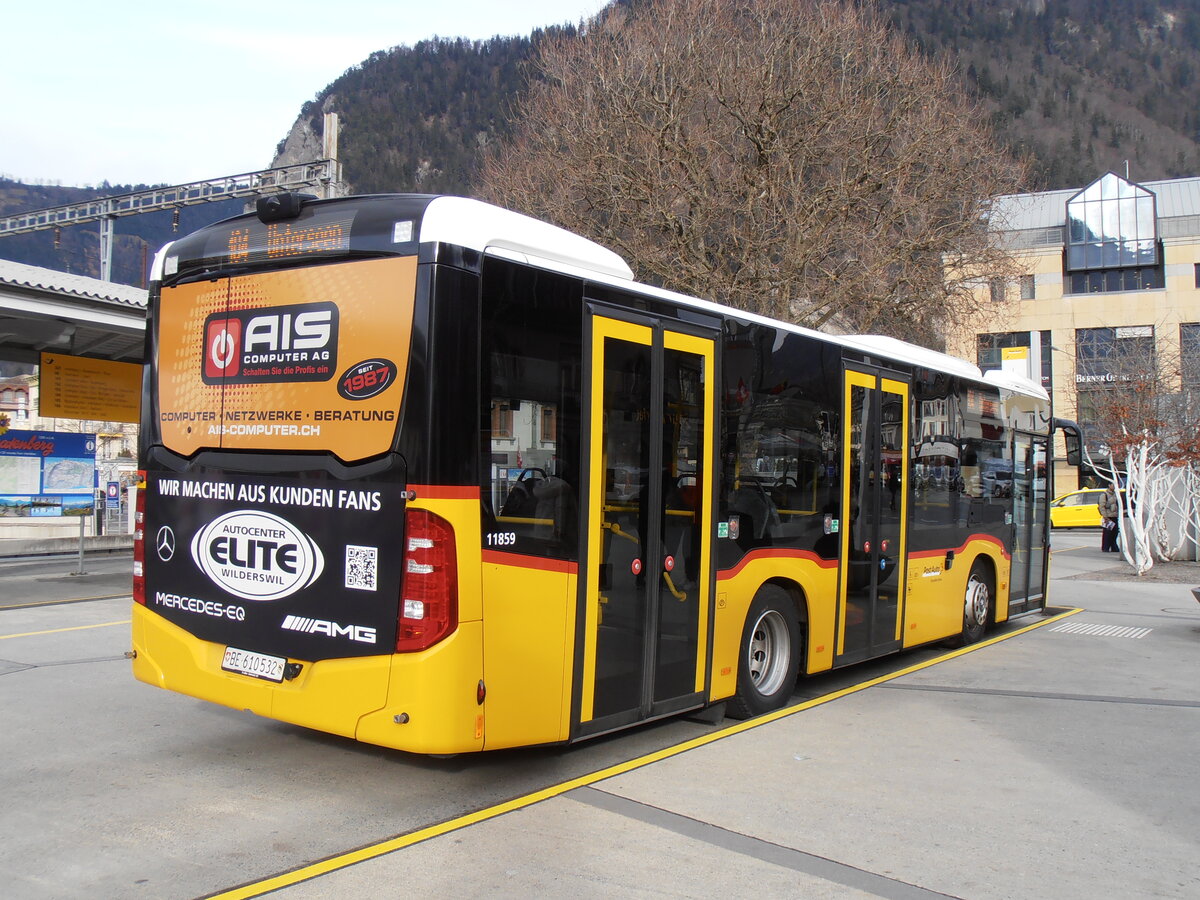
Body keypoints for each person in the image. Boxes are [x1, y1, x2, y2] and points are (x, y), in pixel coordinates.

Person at [1098, 484, 1120, 552]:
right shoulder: (1104, 495)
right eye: (1113, 485)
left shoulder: (1116, 494)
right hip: (1108, 516)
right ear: (1109, 485)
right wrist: (1105, 516)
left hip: (1115, 516)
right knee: (1107, 533)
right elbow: (1101, 506)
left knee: (1115, 532)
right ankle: (1105, 547)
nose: (1114, 487)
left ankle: (1114, 546)